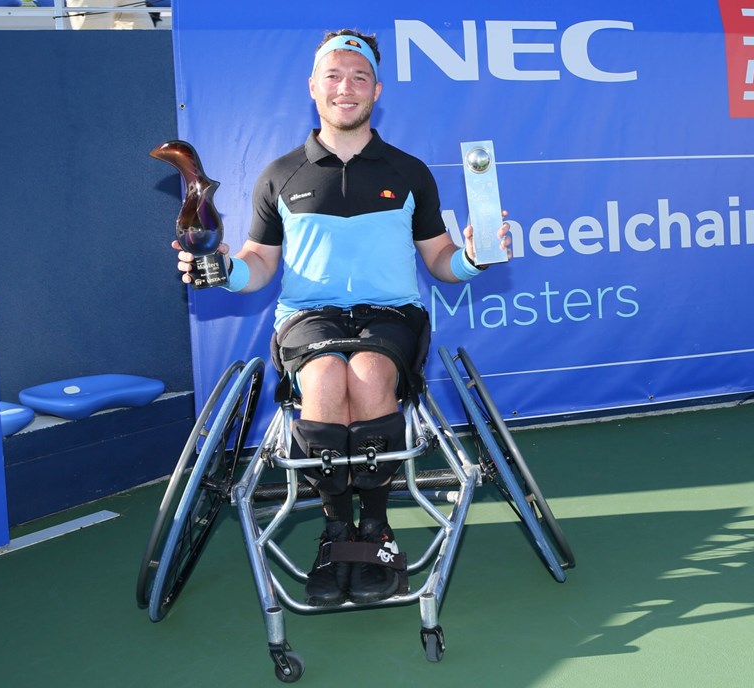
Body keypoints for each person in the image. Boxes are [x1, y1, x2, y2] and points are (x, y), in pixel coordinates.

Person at [172, 29, 511, 607]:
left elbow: (439, 260)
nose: (345, 88)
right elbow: (257, 264)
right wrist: (223, 269)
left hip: (392, 315)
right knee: (327, 378)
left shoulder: (409, 172)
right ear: (313, 87)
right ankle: (335, 531)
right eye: (333, 76)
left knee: (372, 374)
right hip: (309, 316)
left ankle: (375, 530)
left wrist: (475, 258)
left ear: (376, 89)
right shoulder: (279, 174)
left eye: (358, 77)